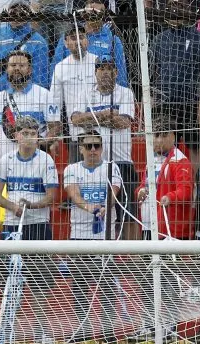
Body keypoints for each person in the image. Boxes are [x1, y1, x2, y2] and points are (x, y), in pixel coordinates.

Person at [67, 55, 135, 235]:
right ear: (95, 72)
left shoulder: (125, 92)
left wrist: (91, 120)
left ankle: (130, 258)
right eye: (101, 68)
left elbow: (123, 123)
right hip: (95, 164)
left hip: (121, 161)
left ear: (116, 72)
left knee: (127, 214)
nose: (105, 72)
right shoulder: (85, 93)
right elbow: (75, 120)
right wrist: (107, 113)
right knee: (96, 208)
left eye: (109, 68)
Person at [0, 50, 62, 181]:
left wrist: (40, 143)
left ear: (30, 69)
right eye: (13, 65)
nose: (17, 69)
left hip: (36, 165)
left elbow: (56, 127)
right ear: (6, 69)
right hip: (6, 168)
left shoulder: (44, 95)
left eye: (21, 66)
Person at [149, 1, 200, 155]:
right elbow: (152, 74)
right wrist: (152, 102)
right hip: (165, 103)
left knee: (195, 147)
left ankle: (196, 179)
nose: (175, 10)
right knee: (164, 147)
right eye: (171, 6)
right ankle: (164, 178)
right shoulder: (159, 39)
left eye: (180, 6)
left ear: (187, 9)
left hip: (193, 103)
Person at [0, 116, 59, 240]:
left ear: (37, 137)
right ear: (16, 135)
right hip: (11, 222)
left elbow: (52, 196)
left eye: (33, 134)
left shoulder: (46, 160)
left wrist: (31, 206)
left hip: (39, 222)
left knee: (39, 260)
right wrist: (13, 207)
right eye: (25, 133)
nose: (29, 137)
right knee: (8, 260)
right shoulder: (6, 159)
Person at [0, 0, 51, 100]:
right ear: (7, 12)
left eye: (23, 10)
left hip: (26, 101)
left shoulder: (38, 42)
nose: (18, 14)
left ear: (29, 14)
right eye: (14, 10)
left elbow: (41, 78)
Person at [137, 119, 194, 239]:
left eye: (163, 135)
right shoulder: (151, 160)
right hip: (148, 225)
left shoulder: (180, 160)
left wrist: (169, 197)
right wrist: (140, 191)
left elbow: (186, 191)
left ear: (173, 136)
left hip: (169, 229)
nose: (158, 140)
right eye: (156, 135)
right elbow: (143, 185)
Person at [52, 0, 129, 85]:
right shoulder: (69, 37)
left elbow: (121, 74)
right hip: (72, 90)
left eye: (96, 14)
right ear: (84, 13)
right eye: (91, 14)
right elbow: (55, 68)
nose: (93, 18)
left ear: (104, 14)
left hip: (101, 92)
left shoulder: (113, 40)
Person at [63, 129, 121, 239]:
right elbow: (74, 195)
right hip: (79, 233)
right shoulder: (71, 169)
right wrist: (88, 206)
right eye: (89, 146)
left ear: (102, 148)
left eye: (97, 146)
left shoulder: (112, 167)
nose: (93, 149)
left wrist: (105, 207)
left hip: (106, 234)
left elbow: (113, 194)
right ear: (81, 149)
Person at [50, 28, 97, 158]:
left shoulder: (98, 63)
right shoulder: (60, 67)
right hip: (75, 133)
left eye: (81, 37)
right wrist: (55, 137)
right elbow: (55, 103)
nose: (78, 42)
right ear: (66, 43)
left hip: (100, 132)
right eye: (73, 38)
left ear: (87, 40)